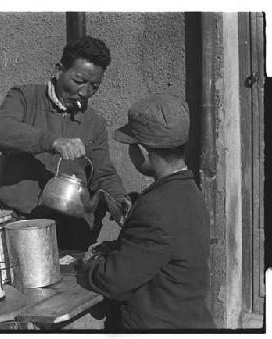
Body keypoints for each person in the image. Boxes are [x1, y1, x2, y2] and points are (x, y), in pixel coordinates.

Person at [83, 95, 215, 329]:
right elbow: (154, 252)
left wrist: (88, 265)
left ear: (142, 152)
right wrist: (114, 249)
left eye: (130, 147)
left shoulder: (156, 207)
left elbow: (114, 281)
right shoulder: (189, 190)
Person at [0, 36, 130, 251]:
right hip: (21, 222)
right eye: (79, 81)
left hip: (71, 228)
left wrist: (120, 202)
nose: (84, 92)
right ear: (59, 69)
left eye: (94, 86)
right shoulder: (26, 98)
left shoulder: (94, 123)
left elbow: (104, 173)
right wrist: (51, 141)